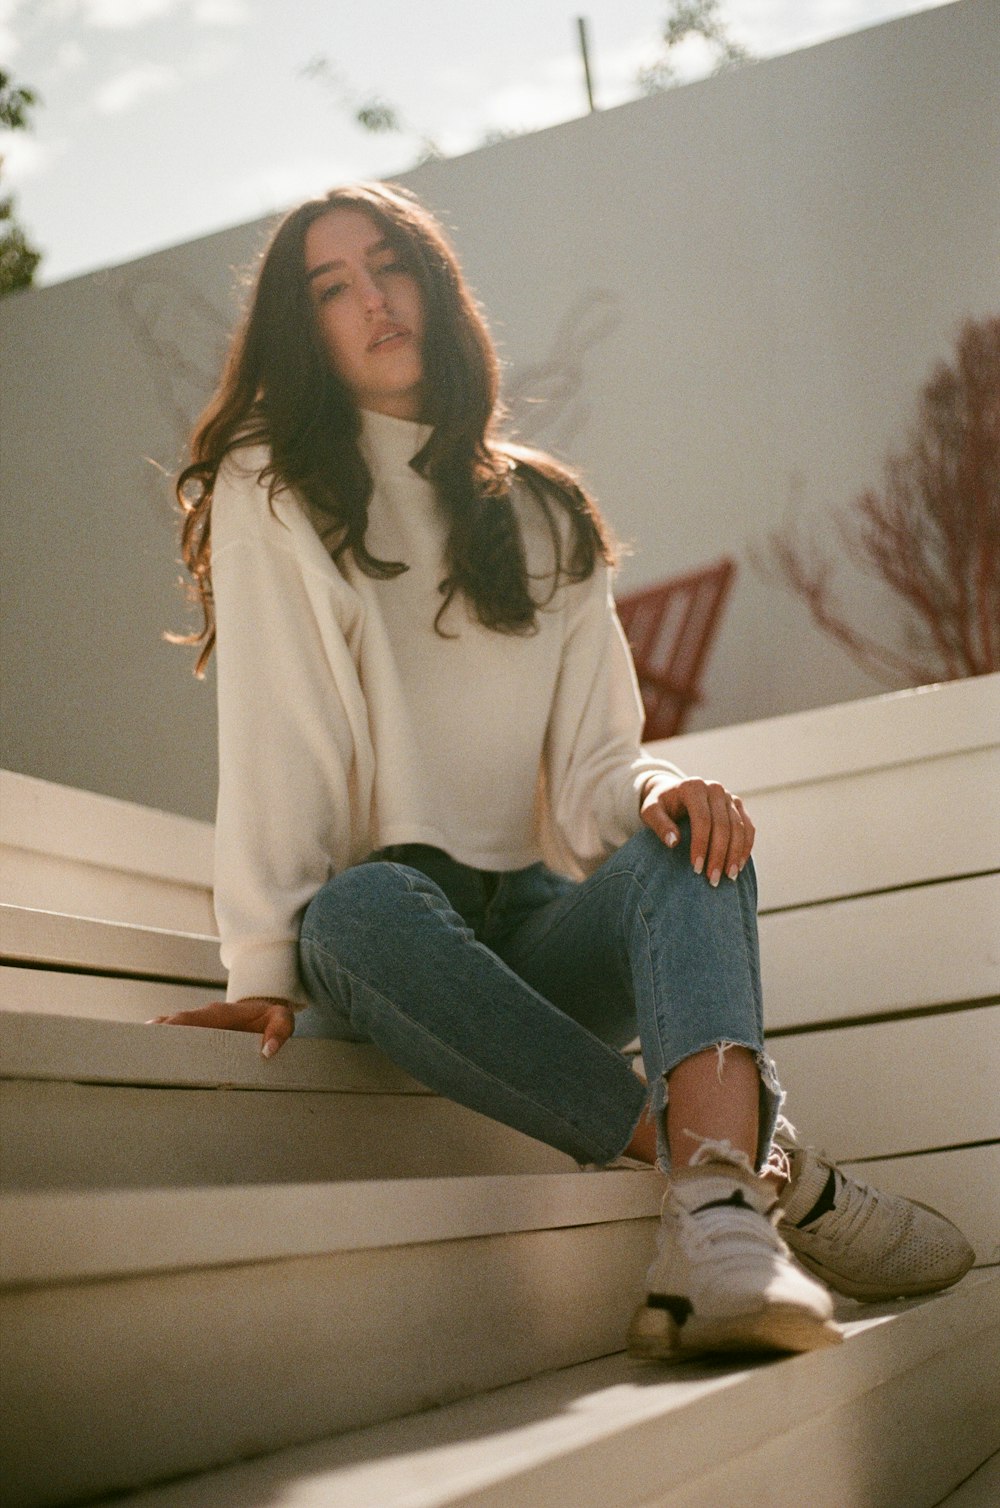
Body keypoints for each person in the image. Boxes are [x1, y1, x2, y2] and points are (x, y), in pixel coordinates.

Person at [154, 182, 973, 1360]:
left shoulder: (541, 509)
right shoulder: (272, 485)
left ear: (433, 288)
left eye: (387, 266)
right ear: (303, 329)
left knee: (694, 833)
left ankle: (720, 1209)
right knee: (361, 904)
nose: (371, 299)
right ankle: (751, 1187)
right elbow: (277, 730)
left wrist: (655, 791)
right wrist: (263, 963)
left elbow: (596, 765)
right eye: (331, 287)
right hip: (392, 933)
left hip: (536, 929)